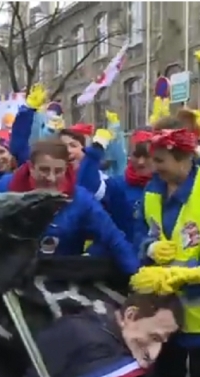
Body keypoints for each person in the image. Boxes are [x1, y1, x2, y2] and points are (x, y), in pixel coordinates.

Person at [0, 139, 139, 275]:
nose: (51, 178)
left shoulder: (80, 198)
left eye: (58, 171)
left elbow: (113, 237)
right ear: (31, 167)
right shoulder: (6, 187)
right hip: (10, 277)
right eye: (44, 170)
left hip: (58, 277)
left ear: (67, 169)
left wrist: (134, 276)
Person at [132, 117, 200, 377]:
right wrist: (149, 248)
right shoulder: (152, 189)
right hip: (162, 315)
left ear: (183, 158)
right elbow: (141, 231)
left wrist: (186, 274)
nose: (153, 166)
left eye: (159, 160)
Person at [24, 292, 183, 377]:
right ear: (131, 316)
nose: (154, 354)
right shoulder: (75, 332)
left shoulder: (130, 350)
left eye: (162, 342)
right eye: (153, 337)